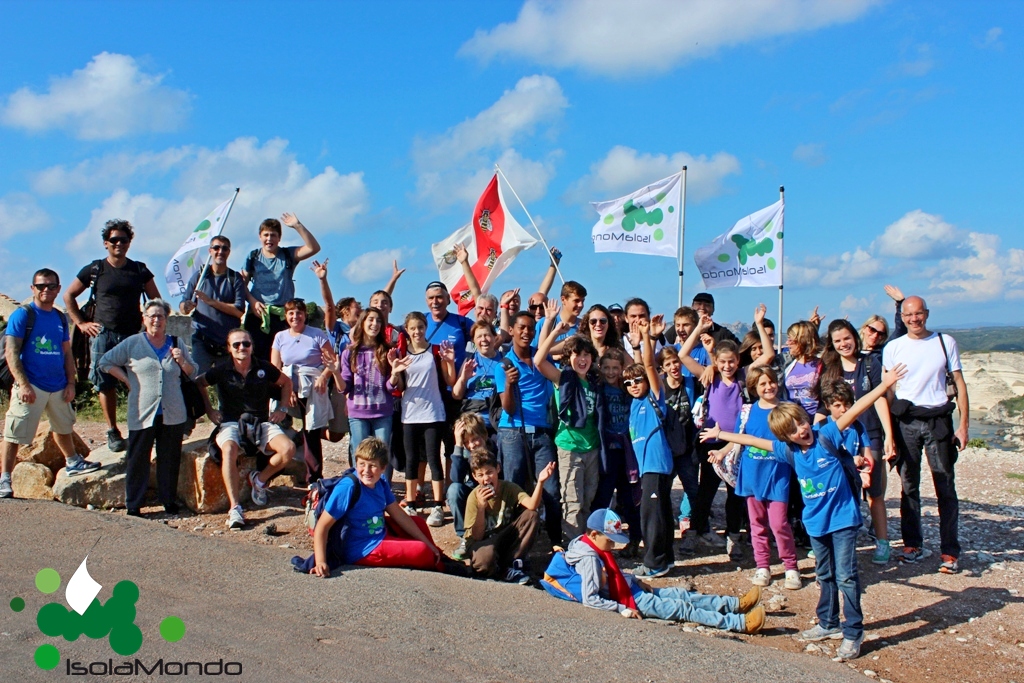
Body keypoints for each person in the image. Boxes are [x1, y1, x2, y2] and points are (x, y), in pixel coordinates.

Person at [701, 361, 907, 662]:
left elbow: (856, 409)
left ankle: (853, 632)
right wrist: (723, 434)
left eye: (801, 423)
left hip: (843, 520)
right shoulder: (788, 451)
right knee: (824, 574)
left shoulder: (827, 436)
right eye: (793, 430)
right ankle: (828, 623)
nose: (801, 430)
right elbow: (753, 440)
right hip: (815, 523)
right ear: (785, 437)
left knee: (846, 577)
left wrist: (884, 386)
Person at [540, 508, 766, 634]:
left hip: (630, 589)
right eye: (609, 539)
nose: (613, 544)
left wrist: (634, 579)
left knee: (681, 595)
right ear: (594, 535)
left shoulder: (586, 545)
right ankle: (739, 623)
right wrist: (622, 610)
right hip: (630, 600)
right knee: (682, 608)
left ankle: (735, 604)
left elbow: (610, 576)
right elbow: (590, 598)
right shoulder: (589, 558)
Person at [882, 296, 969, 574]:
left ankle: (950, 551)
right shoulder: (893, 347)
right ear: (902, 317)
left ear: (927, 314)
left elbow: (959, 383)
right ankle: (912, 544)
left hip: (938, 420)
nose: (914, 319)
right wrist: (889, 434)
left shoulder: (945, 342)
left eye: (918, 314)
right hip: (906, 421)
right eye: (909, 315)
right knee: (909, 486)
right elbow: (887, 390)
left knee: (945, 485)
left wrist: (963, 425)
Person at [1, 269, 100, 498]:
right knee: (14, 433)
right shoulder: (23, 315)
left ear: (58, 289)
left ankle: (72, 461)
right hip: (31, 383)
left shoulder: (59, 317)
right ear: (32, 288)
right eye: (41, 286)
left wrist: (71, 383)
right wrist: (23, 384)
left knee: (63, 426)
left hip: (57, 384)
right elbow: (12, 351)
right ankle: (5, 478)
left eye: (51, 286)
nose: (46, 290)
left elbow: (66, 352)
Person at [64, 219, 161, 452]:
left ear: (129, 243)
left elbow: (156, 300)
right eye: (114, 240)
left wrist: (152, 321)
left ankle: (143, 428)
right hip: (103, 334)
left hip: (132, 334)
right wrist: (81, 323)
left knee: (142, 380)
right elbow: (68, 296)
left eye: (123, 240)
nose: (119, 243)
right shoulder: (95, 269)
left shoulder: (139, 270)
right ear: (106, 243)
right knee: (104, 383)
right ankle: (112, 431)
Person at [98, 299, 196, 517]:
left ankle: (168, 500)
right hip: (142, 412)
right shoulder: (133, 343)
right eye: (152, 316)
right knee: (138, 458)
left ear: (166, 320)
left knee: (169, 459)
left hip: (173, 412)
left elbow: (193, 371)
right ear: (144, 319)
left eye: (160, 316)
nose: (156, 320)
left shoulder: (176, 342)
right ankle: (134, 503)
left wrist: (182, 361)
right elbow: (105, 362)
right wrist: (126, 379)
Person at [197, 329, 297, 529]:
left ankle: (259, 480)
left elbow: (286, 383)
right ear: (229, 348)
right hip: (231, 422)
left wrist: (283, 409)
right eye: (236, 344)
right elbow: (200, 383)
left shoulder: (263, 367)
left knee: (288, 449)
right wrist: (209, 410)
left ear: (252, 346)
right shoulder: (221, 369)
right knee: (229, 449)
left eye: (246, 343)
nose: (241, 347)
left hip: (261, 421)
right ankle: (235, 507)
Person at [307, 437, 445, 577]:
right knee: (422, 551)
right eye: (362, 464)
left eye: (372, 465)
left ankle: (437, 556)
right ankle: (440, 565)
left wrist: (429, 544)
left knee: (419, 523)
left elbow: (399, 514)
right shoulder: (348, 487)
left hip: (379, 532)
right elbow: (322, 526)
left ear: (383, 468)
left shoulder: (381, 482)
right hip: (361, 548)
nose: (366, 471)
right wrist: (321, 562)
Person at [818, 319, 896, 564]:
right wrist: (817, 435)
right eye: (837, 341)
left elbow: (879, 398)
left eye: (847, 338)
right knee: (836, 490)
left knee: (874, 491)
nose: (843, 344)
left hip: (869, 433)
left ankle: (882, 542)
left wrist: (888, 435)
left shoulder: (869, 363)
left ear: (855, 336)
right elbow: (823, 405)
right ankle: (832, 540)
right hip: (839, 437)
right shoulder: (829, 368)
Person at [723, 366, 799, 589]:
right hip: (752, 475)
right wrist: (721, 451)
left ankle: (791, 566)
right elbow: (738, 438)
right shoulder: (747, 411)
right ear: (753, 387)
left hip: (778, 475)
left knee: (779, 523)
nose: (768, 387)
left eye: (771, 381)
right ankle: (762, 566)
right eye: (762, 384)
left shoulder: (788, 409)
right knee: (756, 524)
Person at [678, 315, 747, 559]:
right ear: (716, 362)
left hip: (735, 443)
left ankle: (733, 536)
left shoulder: (743, 380)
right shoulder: (711, 378)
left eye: (732, 361)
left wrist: (759, 324)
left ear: (738, 361)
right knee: (706, 492)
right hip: (710, 441)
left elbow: (768, 356)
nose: (727, 366)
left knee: (734, 494)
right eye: (723, 362)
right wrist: (699, 327)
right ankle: (694, 532)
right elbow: (683, 355)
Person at [534, 304, 604, 539]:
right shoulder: (562, 378)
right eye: (576, 355)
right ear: (568, 357)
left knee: (588, 499)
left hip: (592, 448)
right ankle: (574, 546)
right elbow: (539, 360)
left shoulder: (595, 381)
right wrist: (555, 329)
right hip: (569, 448)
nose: (582, 360)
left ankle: (585, 543)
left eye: (586, 355)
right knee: (572, 501)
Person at [493, 311, 562, 546]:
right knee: (515, 489)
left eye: (530, 328)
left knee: (551, 490)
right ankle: (514, 544)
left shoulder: (542, 358)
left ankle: (556, 542)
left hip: (542, 431)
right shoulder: (503, 365)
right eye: (521, 327)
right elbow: (509, 409)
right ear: (511, 330)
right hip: (513, 431)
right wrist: (509, 384)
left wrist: (554, 325)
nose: (526, 332)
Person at [390, 312, 456, 527]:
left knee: (433, 458)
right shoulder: (402, 354)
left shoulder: (435, 351)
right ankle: (411, 504)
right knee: (411, 460)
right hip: (410, 414)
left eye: (420, 327)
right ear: (407, 330)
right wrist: (395, 371)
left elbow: (449, 380)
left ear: (426, 327)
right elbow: (400, 386)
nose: (417, 331)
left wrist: (450, 362)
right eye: (412, 328)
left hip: (433, 414)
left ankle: (438, 505)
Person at [622, 318, 675, 578]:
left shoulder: (654, 397)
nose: (633, 385)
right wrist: (635, 347)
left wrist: (647, 337)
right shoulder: (634, 404)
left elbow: (649, 366)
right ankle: (667, 558)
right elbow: (636, 368)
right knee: (660, 512)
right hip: (648, 468)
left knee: (650, 516)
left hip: (656, 464)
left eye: (637, 381)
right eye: (628, 383)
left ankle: (654, 563)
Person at [270, 298, 339, 485]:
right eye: (291, 313)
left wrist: (323, 377)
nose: (295, 317)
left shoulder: (316, 334)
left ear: (305, 315)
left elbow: (332, 361)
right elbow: (275, 368)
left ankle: (314, 478)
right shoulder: (280, 337)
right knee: (275, 424)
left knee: (312, 432)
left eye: (299, 313)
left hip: (313, 385)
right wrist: (286, 389)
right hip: (288, 384)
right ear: (286, 316)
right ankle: (275, 469)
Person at [464, 449, 554, 584]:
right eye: (480, 475)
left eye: (489, 472)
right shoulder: (473, 498)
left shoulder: (508, 488)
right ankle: (499, 569)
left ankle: (511, 564)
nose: (486, 478)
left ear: (498, 469)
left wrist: (540, 482)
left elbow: (532, 505)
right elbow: (476, 537)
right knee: (485, 559)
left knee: (532, 516)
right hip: (483, 543)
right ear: (474, 476)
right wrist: (481, 507)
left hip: (504, 538)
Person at [242, 214, 321, 361]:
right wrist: (253, 302)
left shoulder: (288, 255)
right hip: (258, 314)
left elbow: (313, 248)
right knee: (255, 359)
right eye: (266, 235)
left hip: (283, 315)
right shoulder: (253, 257)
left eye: (273, 235)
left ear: (279, 238)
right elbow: (242, 286)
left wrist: (297, 225)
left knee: (283, 358)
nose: (269, 239)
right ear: (260, 236)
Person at [590, 348, 642, 556]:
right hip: (607, 451)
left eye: (615, 368)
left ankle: (635, 538)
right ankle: (597, 539)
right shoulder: (599, 389)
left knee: (629, 498)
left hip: (627, 451)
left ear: (622, 369)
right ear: (600, 368)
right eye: (607, 368)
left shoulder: (627, 389)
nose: (611, 372)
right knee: (603, 496)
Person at [179, 235, 247, 375]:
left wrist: (212, 302)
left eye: (224, 248)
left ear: (229, 252)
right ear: (210, 251)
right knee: (197, 380)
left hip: (227, 345)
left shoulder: (235, 278)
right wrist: (186, 306)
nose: (220, 251)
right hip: (202, 341)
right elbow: (183, 306)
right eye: (216, 248)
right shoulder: (199, 276)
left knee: (228, 385)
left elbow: (239, 311)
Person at [311, 258, 360, 443]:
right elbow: (329, 306)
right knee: (336, 434)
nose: (361, 309)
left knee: (355, 431)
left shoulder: (364, 330)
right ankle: (305, 435)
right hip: (340, 383)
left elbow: (380, 308)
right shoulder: (336, 329)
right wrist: (323, 279)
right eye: (357, 306)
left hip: (360, 383)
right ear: (346, 310)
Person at [340, 308, 395, 465]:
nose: (375, 324)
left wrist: (395, 373)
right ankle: (358, 481)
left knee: (383, 456)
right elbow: (345, 387)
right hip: (358, 413)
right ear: (362, 323)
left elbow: (390, 387)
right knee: (360, 455)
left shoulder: (387, 351)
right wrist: (335, 373)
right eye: (371, 319)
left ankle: (383, 482)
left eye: (378, 320)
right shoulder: (349, 352)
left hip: (382, 412)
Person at [447, 413, 490, 559]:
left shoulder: (496, 449)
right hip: (472, 495)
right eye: (466, 442)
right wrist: (458, 445)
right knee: (454, 490)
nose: (471, 445)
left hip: (493, 494)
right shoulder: (465, 453)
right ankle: (465, 537)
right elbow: (455, 478)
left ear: (484, 435)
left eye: (475, 439)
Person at [451, 320, 504, 431]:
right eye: (479, 336)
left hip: (499, 420)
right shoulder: (469, 360)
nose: (483, 339)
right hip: (473, 422)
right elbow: (456, 395)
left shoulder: (505, 360)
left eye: (487, 335)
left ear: (495, 337)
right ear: (473, 341)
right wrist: (464, 378)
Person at [533, 281, 587, 357]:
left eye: (582, 301)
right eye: (576, 301)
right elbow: (534, 352)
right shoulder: (544, 323)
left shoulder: (584, 326)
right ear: (563, 299)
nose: (581, 305)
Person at [784, 320, 823, 418]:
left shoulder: (822, 365)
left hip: (818, 420)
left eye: (790, 339)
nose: (787, 343)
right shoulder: (787, 366)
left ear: (802, 341)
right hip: (795, 420)